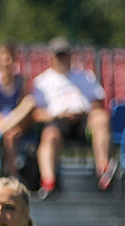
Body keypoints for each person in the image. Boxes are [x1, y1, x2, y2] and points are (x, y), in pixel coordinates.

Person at [29, 38, 113, 196]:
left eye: (64, 55)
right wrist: (56, 115)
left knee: (101, 118)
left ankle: (103, 169)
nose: (62, 59)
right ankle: (48, 182)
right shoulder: (42, 81)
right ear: (51, 57)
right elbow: (36, 113)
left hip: (83, 119)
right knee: (49, 135)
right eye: (58, 56)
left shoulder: (85, 76)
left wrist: (84, 113)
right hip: (57, 120)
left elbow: (97, 103)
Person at [0, 40, 32, 180]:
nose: (7, 61)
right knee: (10, 135)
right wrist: (3, 122)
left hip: (15, 119)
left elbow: (22, 107)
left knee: (29, 103)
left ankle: (13, 171)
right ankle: (14, 174)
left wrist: (12, 123)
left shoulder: (22, 80)